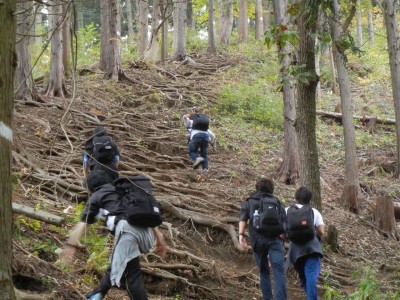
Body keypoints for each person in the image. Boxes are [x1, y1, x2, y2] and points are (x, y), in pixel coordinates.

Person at [61, 170, 167, 300]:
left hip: (127, 232)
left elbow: (84, 223)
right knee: (123, 267)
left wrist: (70, 246)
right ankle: (96, 295)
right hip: (146, 233)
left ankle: (96, 295)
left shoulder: (97, 195)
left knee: (129, 275)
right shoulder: (122, 190)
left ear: (91, 188)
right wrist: (159, 239)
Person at [238, 178, 287, 300]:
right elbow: (284, 224)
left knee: (264, 272)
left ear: (257, 188)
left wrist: (241, 235)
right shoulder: (277, 202)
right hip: (275, 240)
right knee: (279, 272)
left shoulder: (249, 201)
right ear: (272, 189)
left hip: (257, 241)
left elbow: (243, 218)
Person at [285, 186, 325, 300]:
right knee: (311, 277)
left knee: (303, 280)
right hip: (312, 249)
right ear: (309, 199)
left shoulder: (287, 210)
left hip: (296, 252)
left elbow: (283, 228)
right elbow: (321, 232)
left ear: (296, 198)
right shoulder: (314, 211)